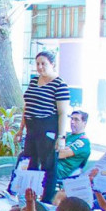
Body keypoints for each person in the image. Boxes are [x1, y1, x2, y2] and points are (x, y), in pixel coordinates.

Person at [17, 51, 72, 202]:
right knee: (30, 161)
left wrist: (61, 137)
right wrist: (21, 128)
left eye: (44, 64)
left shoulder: (59, 84)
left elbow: (62, 113)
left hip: (47, 127)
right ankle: (29, 197)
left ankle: (47, 199)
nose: (40, 67)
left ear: (52, 64)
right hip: (31, 127)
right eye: (38, 64)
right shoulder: (34, 81)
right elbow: (27, 106)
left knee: (48, 165)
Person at [56, 110, 92, 183]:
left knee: (29, 167)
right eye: (71, 119)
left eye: (76, 120)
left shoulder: (83, 141)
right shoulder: (67, 135)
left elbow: (60, 154)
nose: (72, 122)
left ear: (84, 123)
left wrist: (57, 148)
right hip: (51, 165)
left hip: (59, 171)